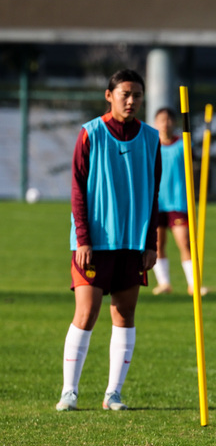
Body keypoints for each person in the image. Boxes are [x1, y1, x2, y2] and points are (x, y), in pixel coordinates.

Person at [57, 69, 161, 412]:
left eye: (137, 95)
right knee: (86, 312)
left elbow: (153, 193)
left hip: (133, 243)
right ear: (109, 95)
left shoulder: (151, 138)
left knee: (125, 313)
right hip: (94, 243)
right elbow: (77, 189)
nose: (131, 101)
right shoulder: (90, 133)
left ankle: (113, 394)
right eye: (124, 94)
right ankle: (69, 392)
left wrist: (151, 243)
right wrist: (83, 239)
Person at [150, 107, 206, 296]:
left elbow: (195, 165)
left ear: (174, 122)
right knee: (158, 244)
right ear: (156, 123)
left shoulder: (183, 144)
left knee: (185, 242)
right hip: (156, 202)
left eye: (168, 120)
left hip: (178, 201)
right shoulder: (151, 145)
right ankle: (164, 283)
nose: (165, 124)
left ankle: (193, 285)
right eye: (161, 120)